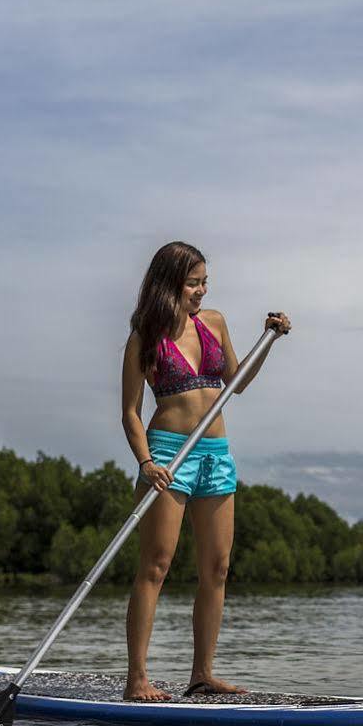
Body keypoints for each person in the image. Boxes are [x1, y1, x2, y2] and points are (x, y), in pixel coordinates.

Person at [119, 240, 290, 701]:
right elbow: (131, 412)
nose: (201, 291)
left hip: (216, 453)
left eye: (204, 282)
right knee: (155, 566)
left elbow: (237, 382)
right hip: (168, 455)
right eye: (193, 282)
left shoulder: (212, 322)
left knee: (217, 567)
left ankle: (202, 674)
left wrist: (268, 340)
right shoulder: (144, 338)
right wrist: (146, 462)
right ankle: (137, 680)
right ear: (169, 284)